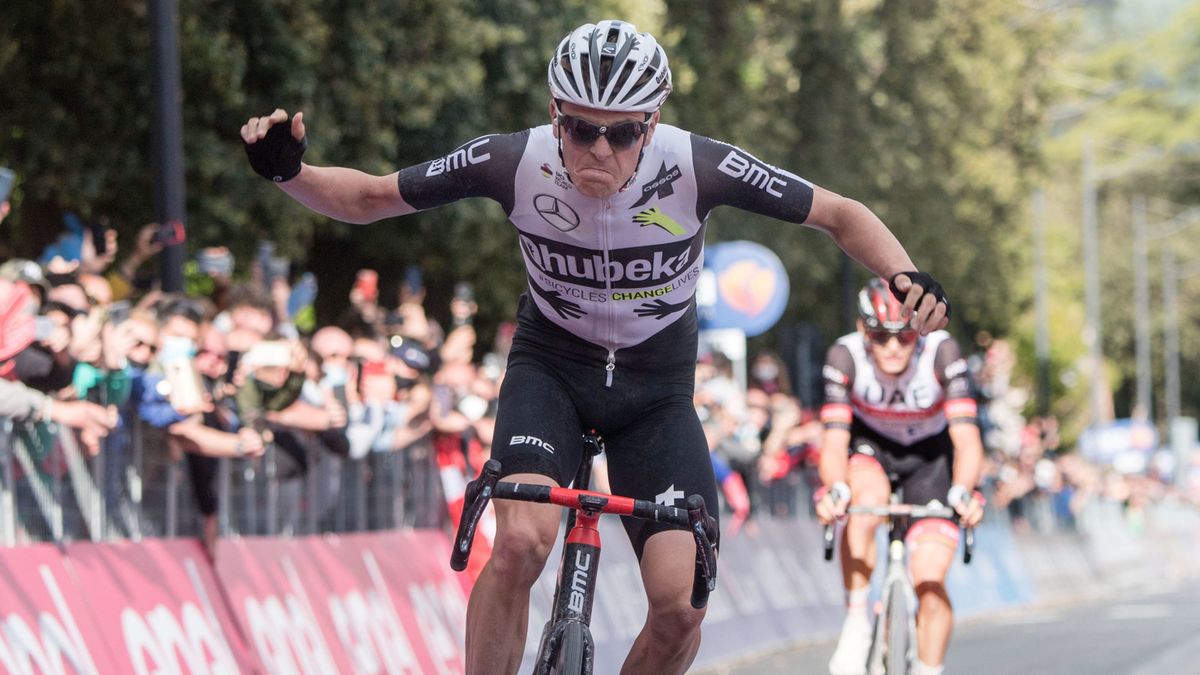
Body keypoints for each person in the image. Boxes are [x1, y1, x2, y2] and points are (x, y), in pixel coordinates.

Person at [241, 19, 951, 674]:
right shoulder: (511, 160)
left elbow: (839, 214)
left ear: (653, 124)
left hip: (655, 391)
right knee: (520, 542)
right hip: (552, 369)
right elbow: (370, 198)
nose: (599, 150)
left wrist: (904, 274)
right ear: (555, 114)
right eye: (580, 130)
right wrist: (289, 174)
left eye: (622, 133)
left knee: (680, 606)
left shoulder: (699, 166)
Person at [813, 279, 983, 675]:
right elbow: (834, 442)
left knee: (930, 585)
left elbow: (967, 439)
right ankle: (857, 621)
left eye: (905, 336)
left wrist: (964, 491)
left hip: (930, 458)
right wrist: (835, 489)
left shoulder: (942, 352)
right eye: (880, 335)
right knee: (864, 504)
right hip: (872, 447)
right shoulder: (844, 356)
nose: (892, 347)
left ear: (919, 332)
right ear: (863, 330)